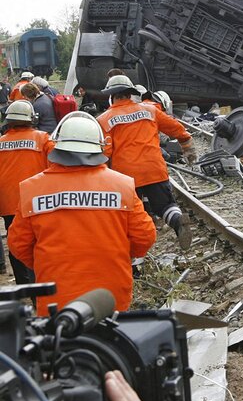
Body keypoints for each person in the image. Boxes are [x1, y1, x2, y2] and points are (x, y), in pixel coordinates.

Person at [8, 112, 156, 315]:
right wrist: (118, 256)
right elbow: (145, 236)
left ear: (57, 145)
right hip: (110, 297)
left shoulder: (32, 189)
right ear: (99, 146)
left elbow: (18, 244)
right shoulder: (122, 186)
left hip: (55, 298)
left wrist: (46, 264)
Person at [96, 75, 196, 250]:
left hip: (126, 176)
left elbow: (106, 153)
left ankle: (137, 249)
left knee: (131, 213)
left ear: (112, 96)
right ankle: (177, 220)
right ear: (130, 93)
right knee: (165, 205)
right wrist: (186, 144)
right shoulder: (150, 110)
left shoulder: (104, 120)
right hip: (154, 169)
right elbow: (174, 127)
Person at [0, 100, 54, 282]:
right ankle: (43, 282)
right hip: (39, 202)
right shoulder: (43, 139)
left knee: (16, 244)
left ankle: (24, 284)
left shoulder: (1, 143)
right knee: (42, 243)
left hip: (9, 204)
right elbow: (58, 165)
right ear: (32, 118)